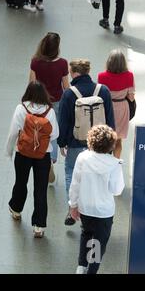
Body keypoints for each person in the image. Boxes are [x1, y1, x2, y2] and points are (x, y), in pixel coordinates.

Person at [58, 59, 115, 226]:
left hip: (76, 142)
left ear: (74, 73)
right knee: (97, 177)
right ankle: (90, 213)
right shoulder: (102, 90)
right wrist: (110, 142)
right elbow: (110, 119)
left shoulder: (69, 94)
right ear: (88, 71)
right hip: (100, 144)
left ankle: (72, 209)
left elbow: (64, 121)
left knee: (71, 173)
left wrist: (62, 143)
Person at [5, 81, 59, 238]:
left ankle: (16, 209)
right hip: (43, 155)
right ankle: (39, 226)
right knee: (40, 189)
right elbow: (55, 134)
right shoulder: (49, 111)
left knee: (21, 182)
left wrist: (9, 151)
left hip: (23, 153)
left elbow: (13, 131)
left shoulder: (21, 108)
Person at [69, 125, 124, 274]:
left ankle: (81, 266)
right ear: (110, 145)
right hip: (104, 212)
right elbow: (117, 190)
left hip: (85, 207)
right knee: (99, 243)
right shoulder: (114, 164)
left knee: (86, 234)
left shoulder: (82, 157)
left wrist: (72, 205)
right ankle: (91, 270)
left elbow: (75, 184)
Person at [30, 32, 69, 184]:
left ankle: (41, 154)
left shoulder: (35, 62)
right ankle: (51, 159)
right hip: (56, 102)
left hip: (39, 102)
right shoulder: (62, 63)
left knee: (40, 130)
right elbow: (66, 86)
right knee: (53, 131)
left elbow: (32, 84)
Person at [98, 49, 135, 158]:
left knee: (106, 137)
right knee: (118, 140)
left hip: (107, 108)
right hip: (122, 108)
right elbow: (131, 98)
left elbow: (100, 94)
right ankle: (116, 163)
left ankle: (105, 161)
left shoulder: (102, 76)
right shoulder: (129, 75)